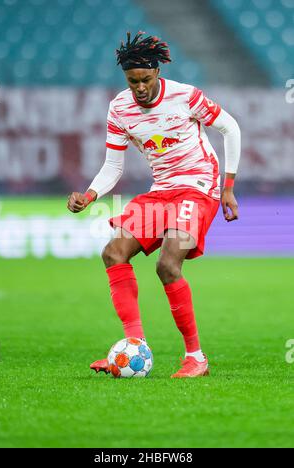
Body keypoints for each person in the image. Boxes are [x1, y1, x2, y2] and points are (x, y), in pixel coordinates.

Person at [67, 32, 241, 378]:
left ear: (157, 72)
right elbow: (113, 166)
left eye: (146, 79)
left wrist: (228, 187)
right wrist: (89, 195)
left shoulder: (185, 96)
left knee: (167, 265)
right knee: (114, 252)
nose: (140, 87)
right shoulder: (119, 108)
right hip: (161, 190)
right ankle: (135, 346)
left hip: (198, 186)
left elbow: (230, 128)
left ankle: (196, 358)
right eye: (133, 81)